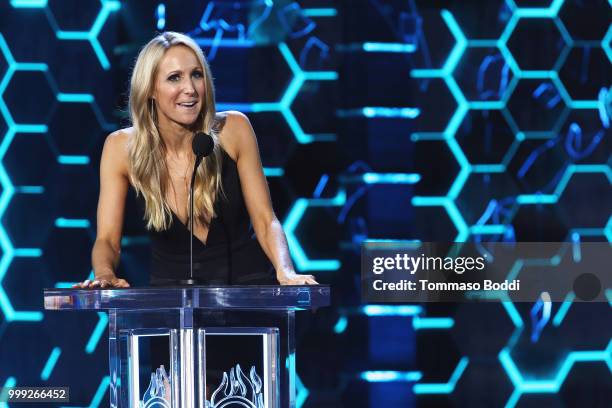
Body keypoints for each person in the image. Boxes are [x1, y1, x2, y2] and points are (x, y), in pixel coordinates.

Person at [73, 31, 318, 290]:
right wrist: (104, 274)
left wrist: (286, 271)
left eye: (196, 75)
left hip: (247, 293)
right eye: (174, 78)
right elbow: (108, 240)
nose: (190, 89)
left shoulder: (234, 129)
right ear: (150, 90)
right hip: (172, 304)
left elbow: (265, 219)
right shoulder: (121, 148)